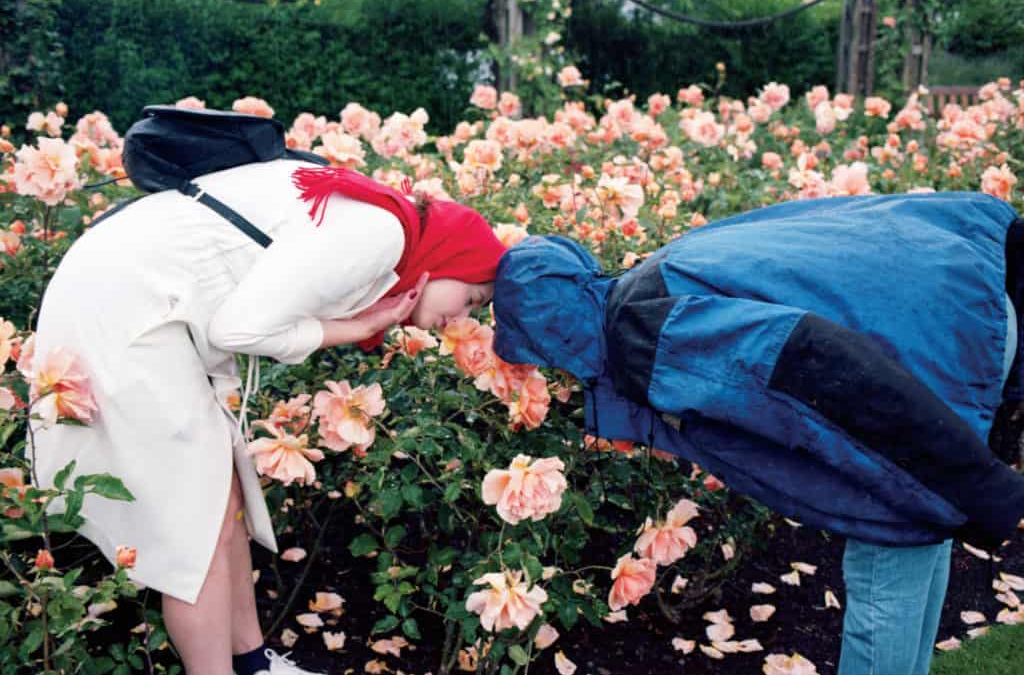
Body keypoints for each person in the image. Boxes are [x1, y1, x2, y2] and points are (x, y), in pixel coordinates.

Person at [491, 191, 1024, 675]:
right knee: (917, 535)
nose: (557, 380)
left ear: (554, 339)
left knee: (889, 549)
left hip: (934, 345)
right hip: (956, 297)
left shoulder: (642, 335)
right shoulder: (652, 278)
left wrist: (970, 481)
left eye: (546, 361)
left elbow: (812, 368)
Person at [28, 160, 506, 675]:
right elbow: (237, 328)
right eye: (474, 298)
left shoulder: (387, 225)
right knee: (197, 526)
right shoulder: (382, 234)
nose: (464, 319)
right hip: (123, 306)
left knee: (223, 496)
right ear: (451, 256)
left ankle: (255, 662)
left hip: (134, 293)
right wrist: (357, 326)